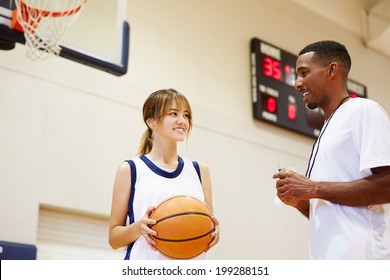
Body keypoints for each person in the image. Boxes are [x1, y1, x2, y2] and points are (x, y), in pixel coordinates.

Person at [273, 40, 390, 259]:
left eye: (304, 73)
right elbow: (333, 210)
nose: (297, 83)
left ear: (332, 70)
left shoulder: (363, 110)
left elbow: (387, 185)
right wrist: (300, 201)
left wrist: (313, 187)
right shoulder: (325, 131)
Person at [108, 88, 220, 260]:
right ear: (151, 121)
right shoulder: (131, 169)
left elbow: (206, 226)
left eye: (186, 115)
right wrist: (139, 227)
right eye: (174, 113)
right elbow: (114, 239)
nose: (182, 120)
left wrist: (213, 233)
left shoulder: (200, 171)